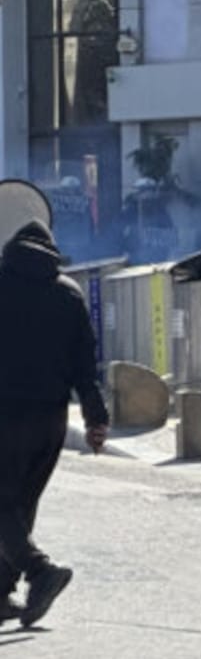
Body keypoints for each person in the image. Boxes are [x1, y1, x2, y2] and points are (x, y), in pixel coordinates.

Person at [0, 220, 109, 629]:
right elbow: (86, 368)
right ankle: (1, 592)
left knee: (4, 505)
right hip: (50, 420)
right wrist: (96, 419)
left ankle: (39, 571)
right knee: (20, 505)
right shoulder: (68, 293)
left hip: (5, 413)